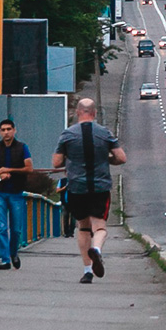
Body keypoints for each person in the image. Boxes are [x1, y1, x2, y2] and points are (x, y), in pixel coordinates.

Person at [52, 98, 127, 284]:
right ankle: (97, 250)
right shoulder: (105, 133)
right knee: (99, 226)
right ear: (93, 113)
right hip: (100, 187)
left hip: (77, 187)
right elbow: (121, 158)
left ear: (78, 112)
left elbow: (56, 163)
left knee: (83, 227)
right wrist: (106, 159)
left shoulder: (67, 134)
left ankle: (87, 271)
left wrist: (71, 159)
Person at [0, 119, 33, 269]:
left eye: (9, 129)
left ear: (14, 130)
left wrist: (9, 170)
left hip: (16, 193)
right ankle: (5, 260)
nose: (6, 132)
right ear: (0, 132)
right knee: (1, 227)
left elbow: (29, 168)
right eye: (3, 130)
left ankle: (13, 252)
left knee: (16, 229)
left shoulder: (22, 147)